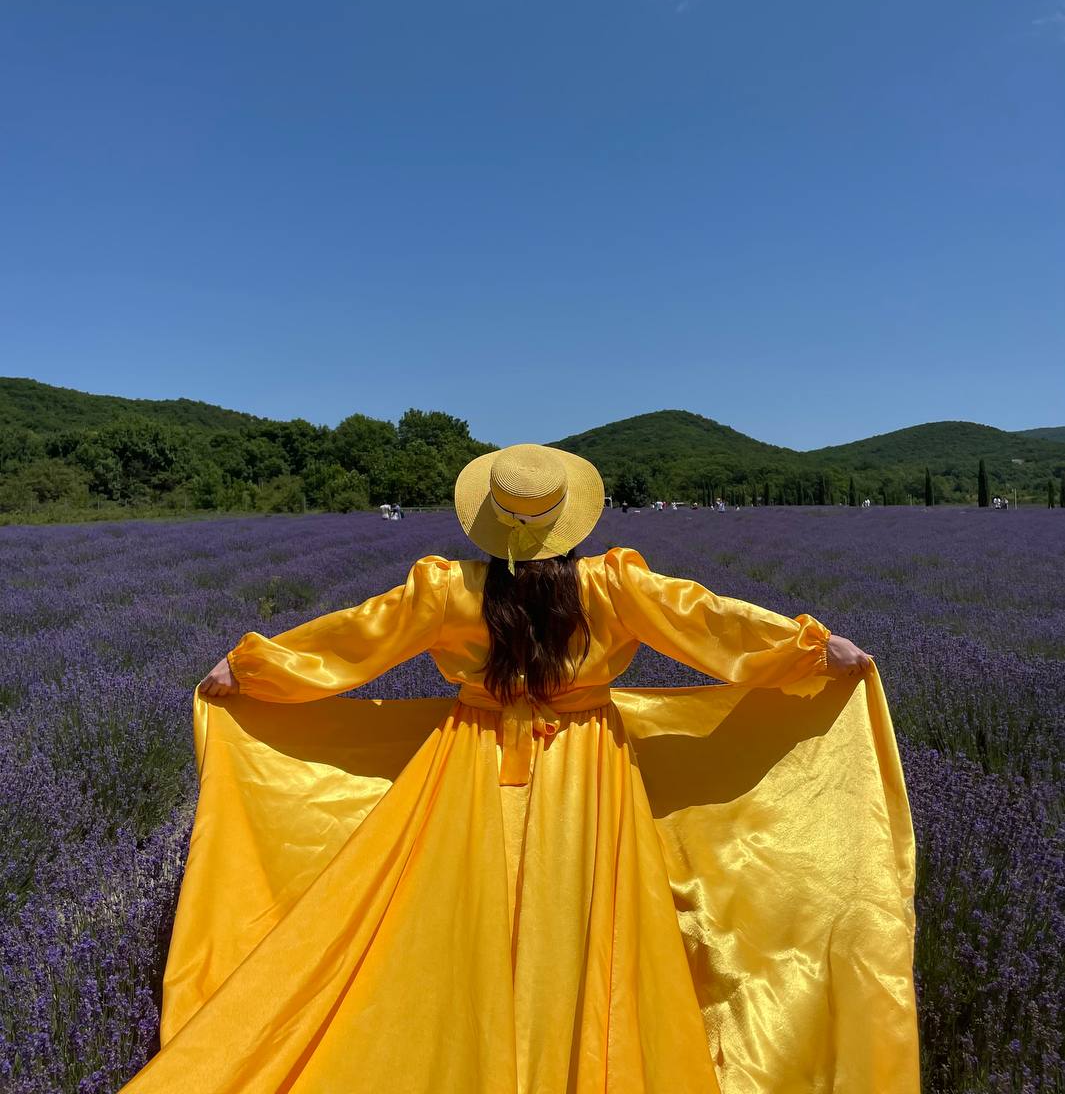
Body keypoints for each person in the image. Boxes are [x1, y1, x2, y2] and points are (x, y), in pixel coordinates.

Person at [121, 443, 919, 1093]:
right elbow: (709, 624)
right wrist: (812, 650)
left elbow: (350, 643)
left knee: (452, 917)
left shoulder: (444, 590)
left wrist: (252, 670)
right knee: (583, 920)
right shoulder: (614, 585)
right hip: (588, 768)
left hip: (467, 763)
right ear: (569, 519)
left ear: (488, 523)